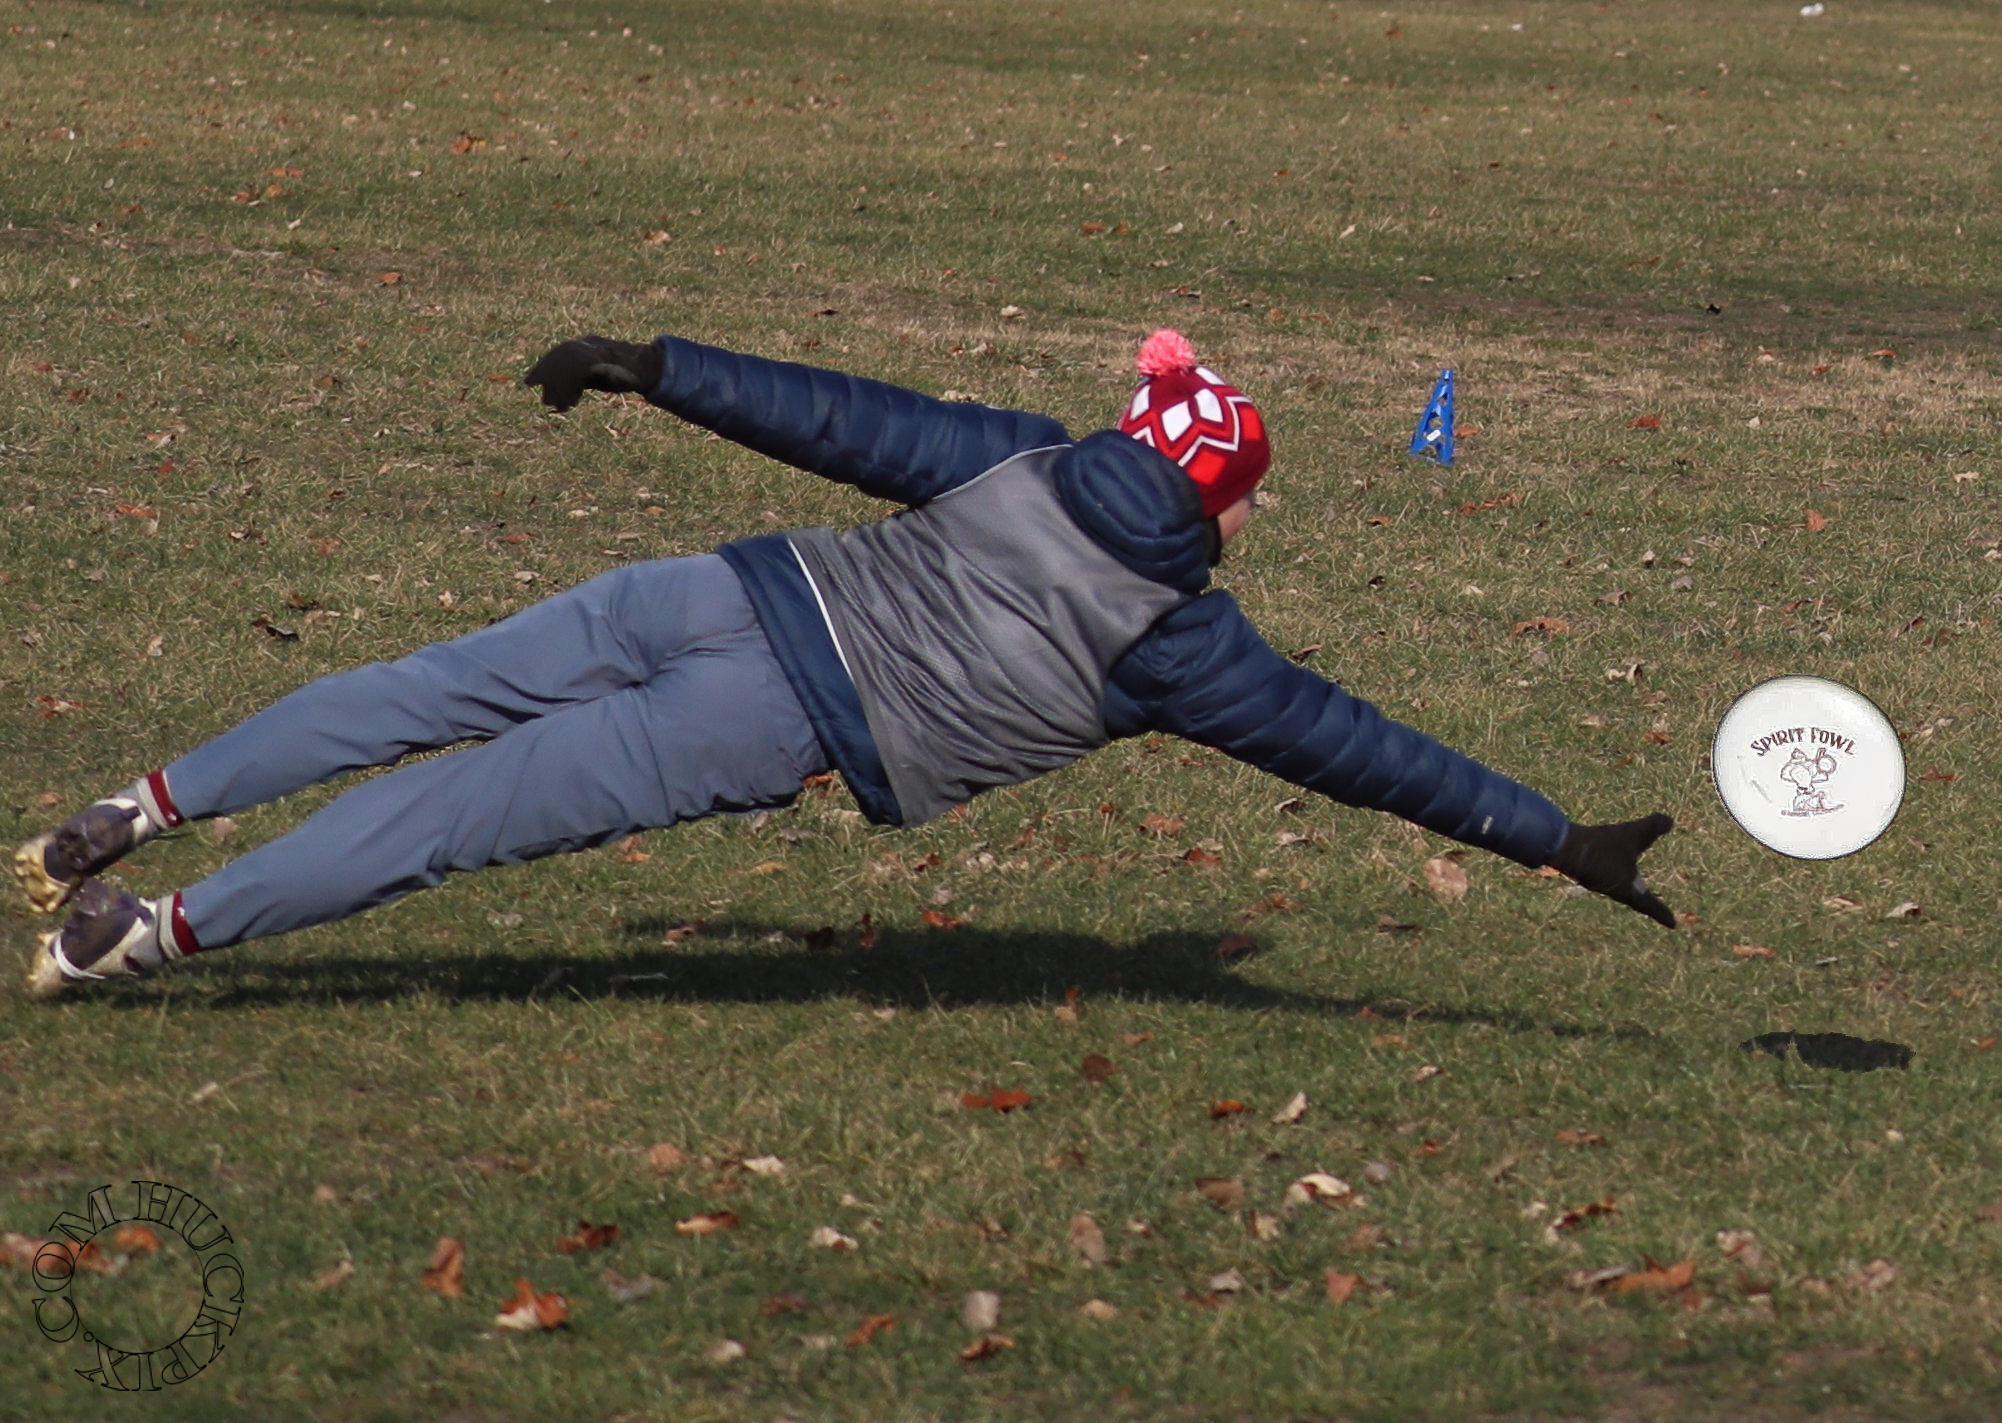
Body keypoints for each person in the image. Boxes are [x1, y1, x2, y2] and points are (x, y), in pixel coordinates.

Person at [16, 329, 1677, 998]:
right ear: (1225, 509)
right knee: (463, 816)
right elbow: (1366, 752)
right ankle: (139, 938)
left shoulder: (1020, 454)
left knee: (421, 692)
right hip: (759, 718)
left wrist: (653, 362)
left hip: (713, 592)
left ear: (1128, 431)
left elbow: (832, 419)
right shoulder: (1190, 648)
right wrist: (1551, 836)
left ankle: (135, 803)